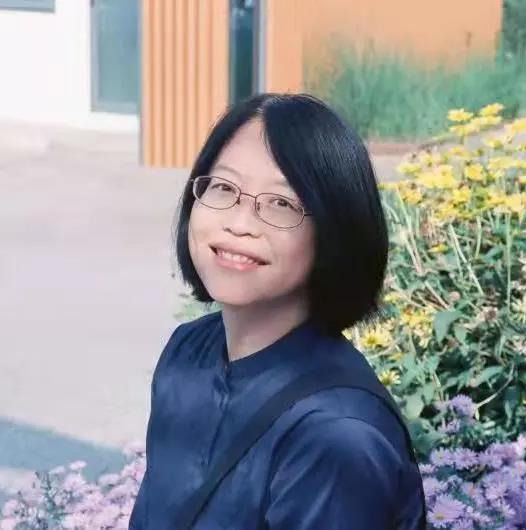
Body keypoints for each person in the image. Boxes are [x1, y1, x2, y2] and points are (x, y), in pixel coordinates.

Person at [129, 93, 426, 529]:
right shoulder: (189, 352)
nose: (239, 223)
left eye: (281, 203)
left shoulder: (336, 435)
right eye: (224, 188)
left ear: (334, 232)